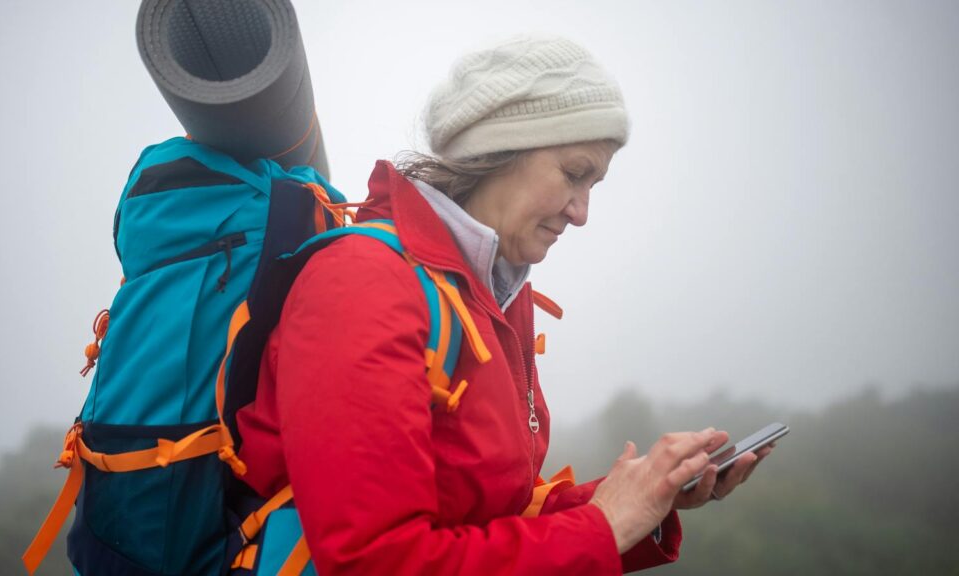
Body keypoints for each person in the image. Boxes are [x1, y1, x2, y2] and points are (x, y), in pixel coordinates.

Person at [235, 34, 771, 574]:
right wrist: (603, 525)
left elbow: (495, 515)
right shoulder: (363, 283)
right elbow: (376, 561)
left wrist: (646, 499)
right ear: (497, 152)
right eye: (574, 173)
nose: (582, 212)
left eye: (595, 184)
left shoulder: (487, 290)